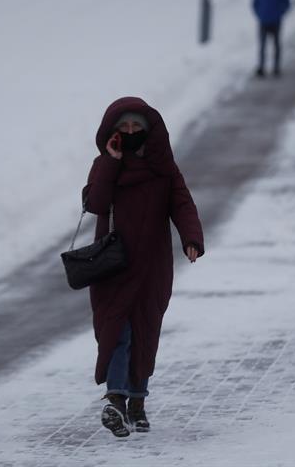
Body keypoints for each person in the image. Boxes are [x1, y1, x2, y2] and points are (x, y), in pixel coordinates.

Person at [82, 97, 204, 438]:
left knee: (144, 334)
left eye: (138, 127)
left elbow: (182, 203)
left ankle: (136, 403)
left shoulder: (164, 169)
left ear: (149, 131)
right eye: (125, 127)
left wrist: (191, 239)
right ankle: (116, 402)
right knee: (116, 333)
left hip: (152, 266)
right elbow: (95, 203)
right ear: (113, 132)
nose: (132, 131)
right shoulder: (105, 165)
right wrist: (111, 162)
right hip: (113, 267)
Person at [251, 0, 291, 78]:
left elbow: (287, 4)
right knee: (262, 46)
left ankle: (276, 67)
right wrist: (260, 14)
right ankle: (261, 67)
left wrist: (280, 13)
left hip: (276, 21)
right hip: (263, 21)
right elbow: (255, 3)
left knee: (276, 45)